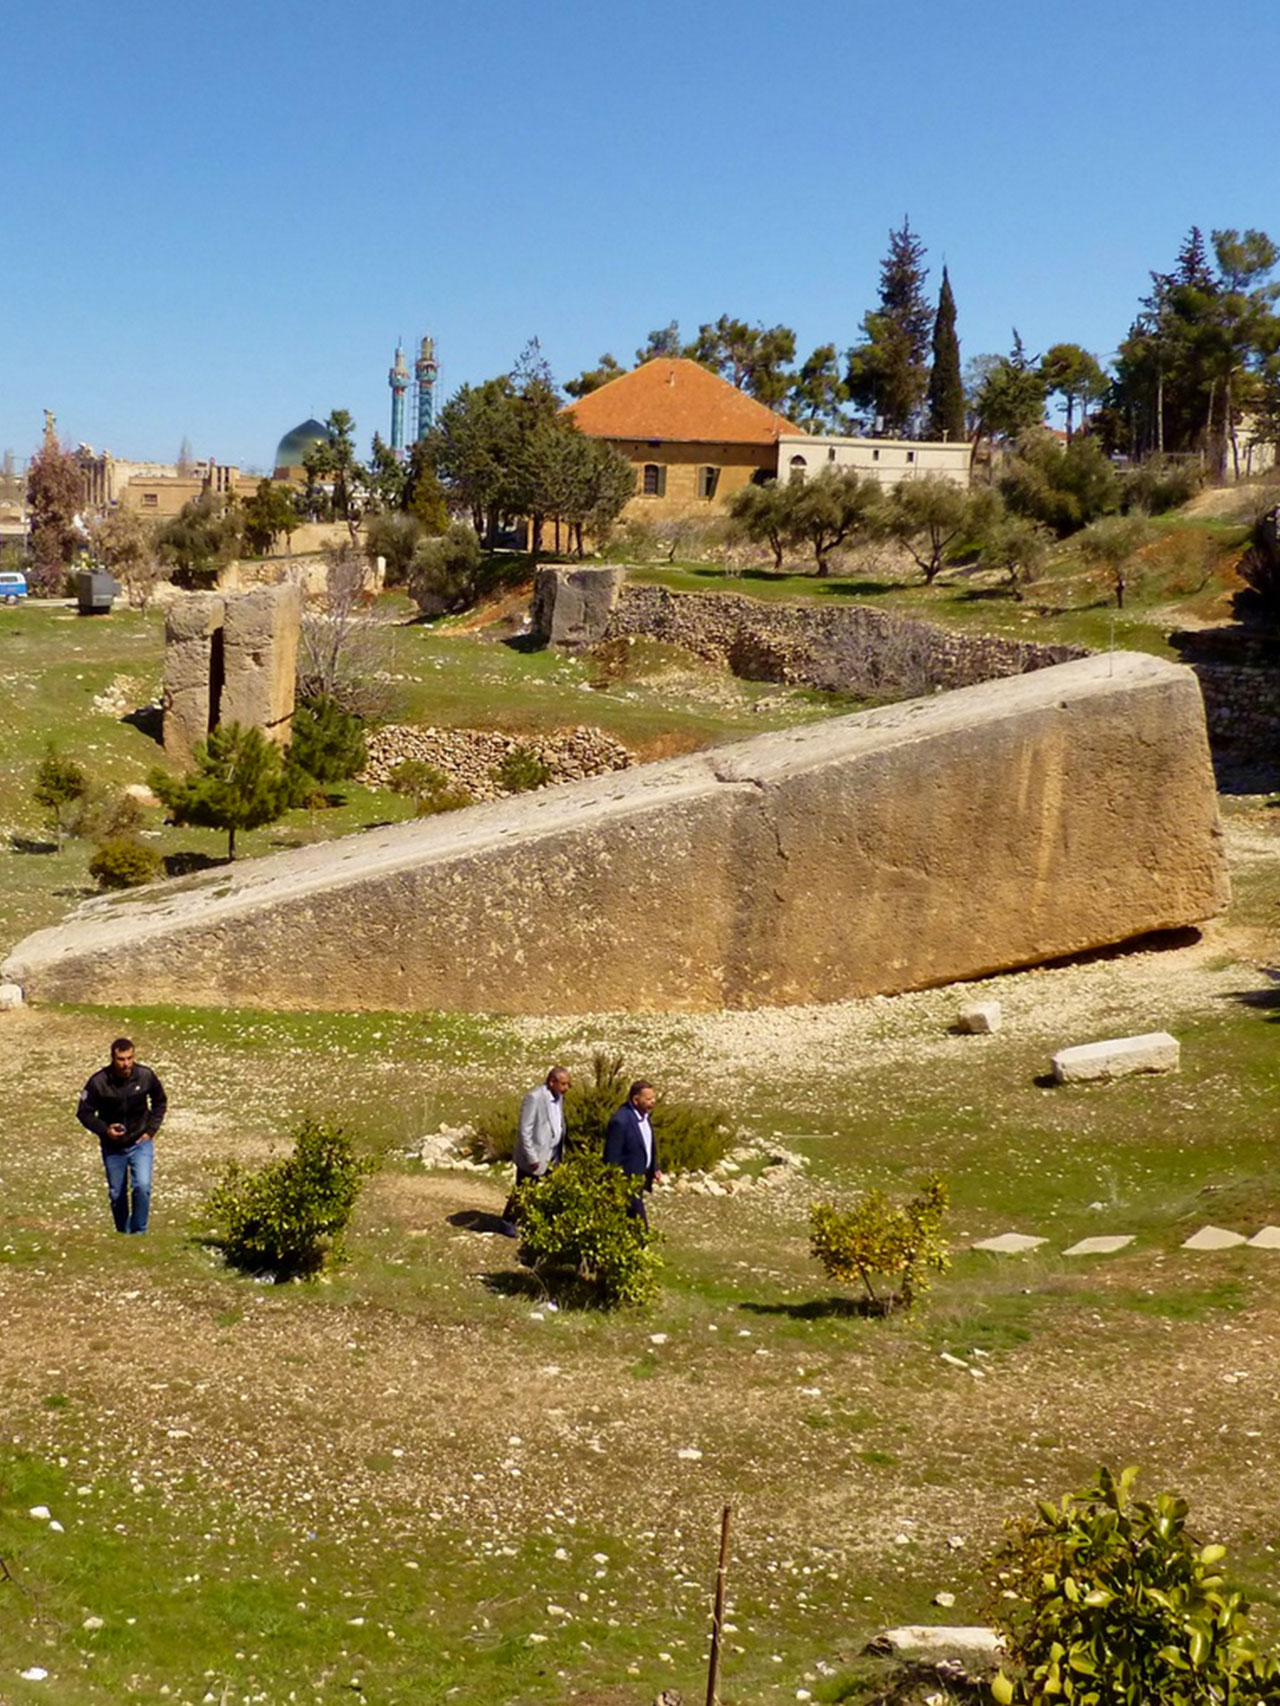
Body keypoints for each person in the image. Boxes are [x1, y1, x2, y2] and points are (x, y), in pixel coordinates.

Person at [76, 1037, 168, 1235]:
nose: (126, 1064)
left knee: (142, 1186)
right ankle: (122, 1233)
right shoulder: (98, 1082)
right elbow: (84, 1112)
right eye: (121, 1059)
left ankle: (139, 1232)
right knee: (117, 1193)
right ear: (112, 1058)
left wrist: (151, 1130)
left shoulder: (145, 1076)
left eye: (129, 1058)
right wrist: (104, 1130)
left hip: (140, 1142)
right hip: (113, 1146)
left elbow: (160, 1101)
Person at [501, 1065, 571, 1235]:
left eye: (568, 1084)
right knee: (524, 1189)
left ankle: (538, 1222)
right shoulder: (534, 1097)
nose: (566, 1088)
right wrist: (532, 1157)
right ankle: (508, 1221)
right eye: (563, 1084)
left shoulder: (559, 1097)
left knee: (548, 1190)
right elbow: (525, 1130)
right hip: (535, 1155)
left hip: (552, 1153)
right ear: (551, 1082)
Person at [603, 1079, 662, 1226]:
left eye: (653, 1098)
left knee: (632, 1224)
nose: (652, 1102)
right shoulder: (621, 1121)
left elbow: (648, 1143)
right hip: (626, 1183)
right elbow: (612, 1157)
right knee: (639, 1226)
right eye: (648, 1099)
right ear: (636, 1100)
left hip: (640, 1180)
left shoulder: (644, 1117)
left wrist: (654, 1167)